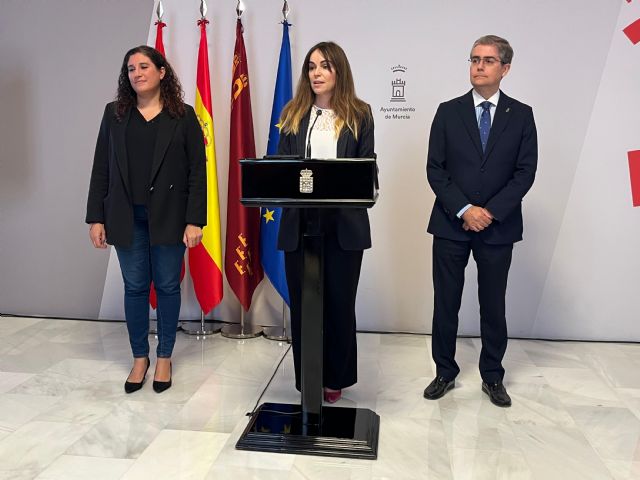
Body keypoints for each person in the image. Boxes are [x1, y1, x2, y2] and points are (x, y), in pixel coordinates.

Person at [423, 35, 537, 407]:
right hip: (450, 224)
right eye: (474, 59)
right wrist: (464, 210)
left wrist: (489, 212)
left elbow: (525, 172)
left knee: (493, 304)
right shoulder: (448, 111)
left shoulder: (521, 115)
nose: (479, 66)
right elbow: (435, 169)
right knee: (446, 302)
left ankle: (492, 376)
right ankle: (444, 371)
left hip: (498, 227)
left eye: (488, 60)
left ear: (505, 68)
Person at [86, 45, 206, 394]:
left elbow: (197, 172)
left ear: (161, 72)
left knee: (167, 285)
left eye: (143, 66)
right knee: (135, 287)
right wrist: (96, 217)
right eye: (130, 69)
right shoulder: (114, 114)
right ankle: (140, 357)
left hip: (171, 216)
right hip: (126, 217)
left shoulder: (183, 115)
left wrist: (194, 220)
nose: (136, 73)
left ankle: (164, 356)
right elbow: (101, 167)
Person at [277, 41, 375, 403]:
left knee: (338, 304)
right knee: (304, 306)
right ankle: (309, 379)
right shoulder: (292, 114)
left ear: (339, 71)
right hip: (301, 225)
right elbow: (282, 168)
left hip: (343, 225)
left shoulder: (360, 114)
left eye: (324, 66)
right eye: (311, 67)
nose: (316, 73)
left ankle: (336, 377)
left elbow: (367, 168)